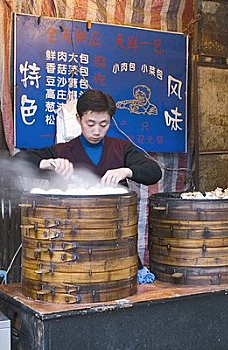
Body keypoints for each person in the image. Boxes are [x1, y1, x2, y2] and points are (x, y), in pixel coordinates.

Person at [14, 89, 162, 283]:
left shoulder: (121, 149)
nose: (96, 131)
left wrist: (127, 171)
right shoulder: (63, 150)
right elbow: (19, 162)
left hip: (115, 242)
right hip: (72, 245)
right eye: (90, 124)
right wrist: (49, 163)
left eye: (104, 124)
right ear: (78, 119)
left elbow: (154, 172)